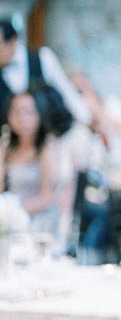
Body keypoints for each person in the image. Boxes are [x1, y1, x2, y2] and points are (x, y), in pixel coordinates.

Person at [0, 18, 90, 133]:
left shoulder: (42, 58)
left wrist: (87, 121)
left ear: (12, 41)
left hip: (49, 134)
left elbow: (67, 92)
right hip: (13, 142)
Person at [2, 92, 63, 236]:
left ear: (39, 114)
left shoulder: (47, 148)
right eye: (16, 111)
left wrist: (13, 212)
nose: (22, 117)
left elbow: (47, 197)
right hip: (11, 219)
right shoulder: (7, 147)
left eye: (27, 111)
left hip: (40, 221)